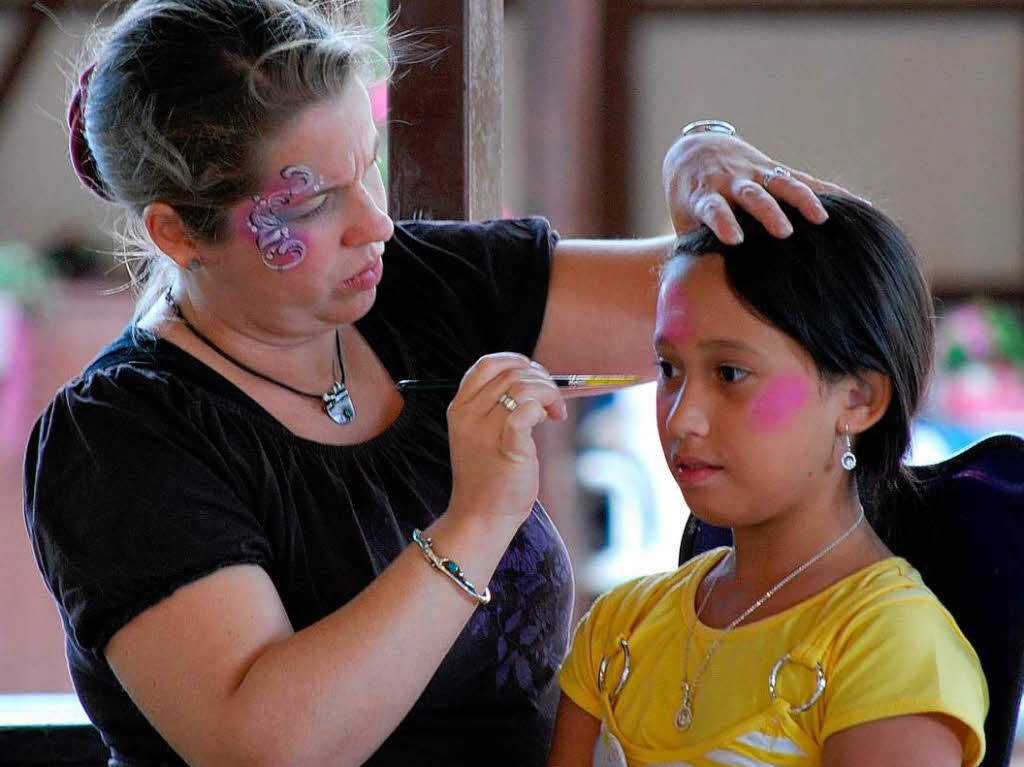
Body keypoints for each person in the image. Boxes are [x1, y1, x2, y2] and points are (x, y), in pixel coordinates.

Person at [23, 0, 838, 765]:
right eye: (311, 203)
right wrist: (476, 518)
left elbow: (783, 297)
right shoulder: (121, 436)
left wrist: (700, 156)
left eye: (367, 168)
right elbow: (265, 742)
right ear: (176, 231)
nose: (374, 222)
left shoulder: (421, 285)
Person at [547, 195, 989, 767]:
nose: (681, 417)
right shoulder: (620, 627)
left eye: (730, 373)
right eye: (669, 370)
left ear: (858, 398)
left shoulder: (891, 651)